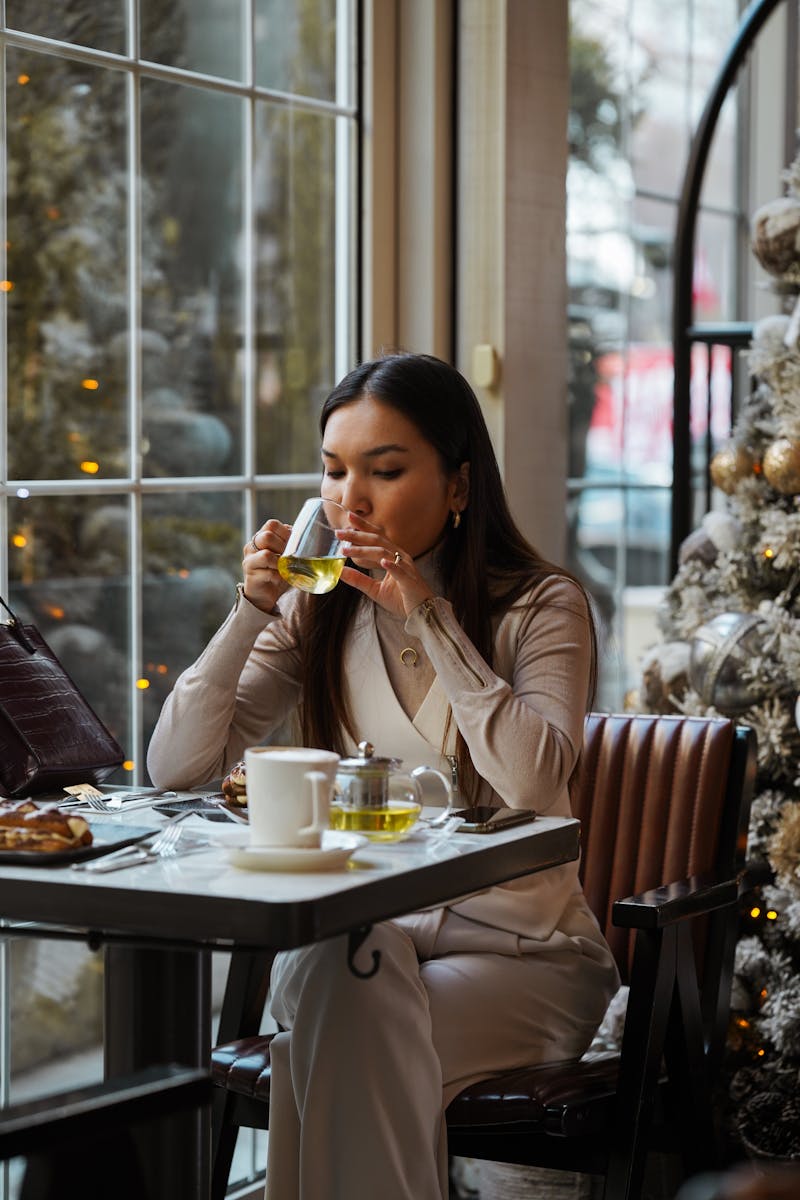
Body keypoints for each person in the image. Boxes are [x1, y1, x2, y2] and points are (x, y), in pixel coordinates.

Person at [147, 351, 620, 1200]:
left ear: (460, 487)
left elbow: (530, 775)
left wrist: (428, 616)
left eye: (385, 470)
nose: (349, 501)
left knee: (322, 1050)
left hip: (522, 956)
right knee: (344, 990)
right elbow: (177, 767)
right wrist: (248, 609)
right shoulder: (315, 612)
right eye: (333, 472)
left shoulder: (542, 606)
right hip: (364, 937)